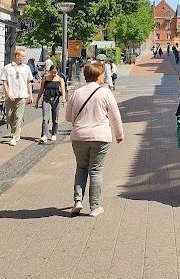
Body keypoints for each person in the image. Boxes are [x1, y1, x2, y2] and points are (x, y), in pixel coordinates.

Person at [65, 61, 124, 217]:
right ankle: (94, 206)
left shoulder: (77, 93)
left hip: (78, 136)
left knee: (81, 168)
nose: (104, 76)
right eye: (103, 73)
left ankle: (78, 200)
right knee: (96, 170)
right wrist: (119, 134)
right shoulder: (105, 93)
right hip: (100, 136)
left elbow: (68, 117)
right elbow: (115, 116)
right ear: (98, 76)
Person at [0, 48, 34, 147]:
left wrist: (30, 95)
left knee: (18, 117)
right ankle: (16, 129)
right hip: (10, 96)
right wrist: (8, 94)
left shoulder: (26, 68)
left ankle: (14, 137)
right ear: (17, 56)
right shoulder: (7, 68)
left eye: (24, 56)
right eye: (22, 56)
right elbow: (4, 82)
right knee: (9, 116)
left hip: (22, 96)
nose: (24, 58)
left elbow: (29, 82)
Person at [35, 63, 67, 144]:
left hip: (56, 99)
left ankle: (54, 133)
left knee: (55, 119)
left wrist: (63, 98)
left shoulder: (60, 79)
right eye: (52, 72)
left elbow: (63, 89)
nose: (53, 74)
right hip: (46, 99)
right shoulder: (45, 79)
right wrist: (37, 100)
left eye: (55, 72)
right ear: (49, 71)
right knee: (45, 118)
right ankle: (44, 135)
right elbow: (41, 90)